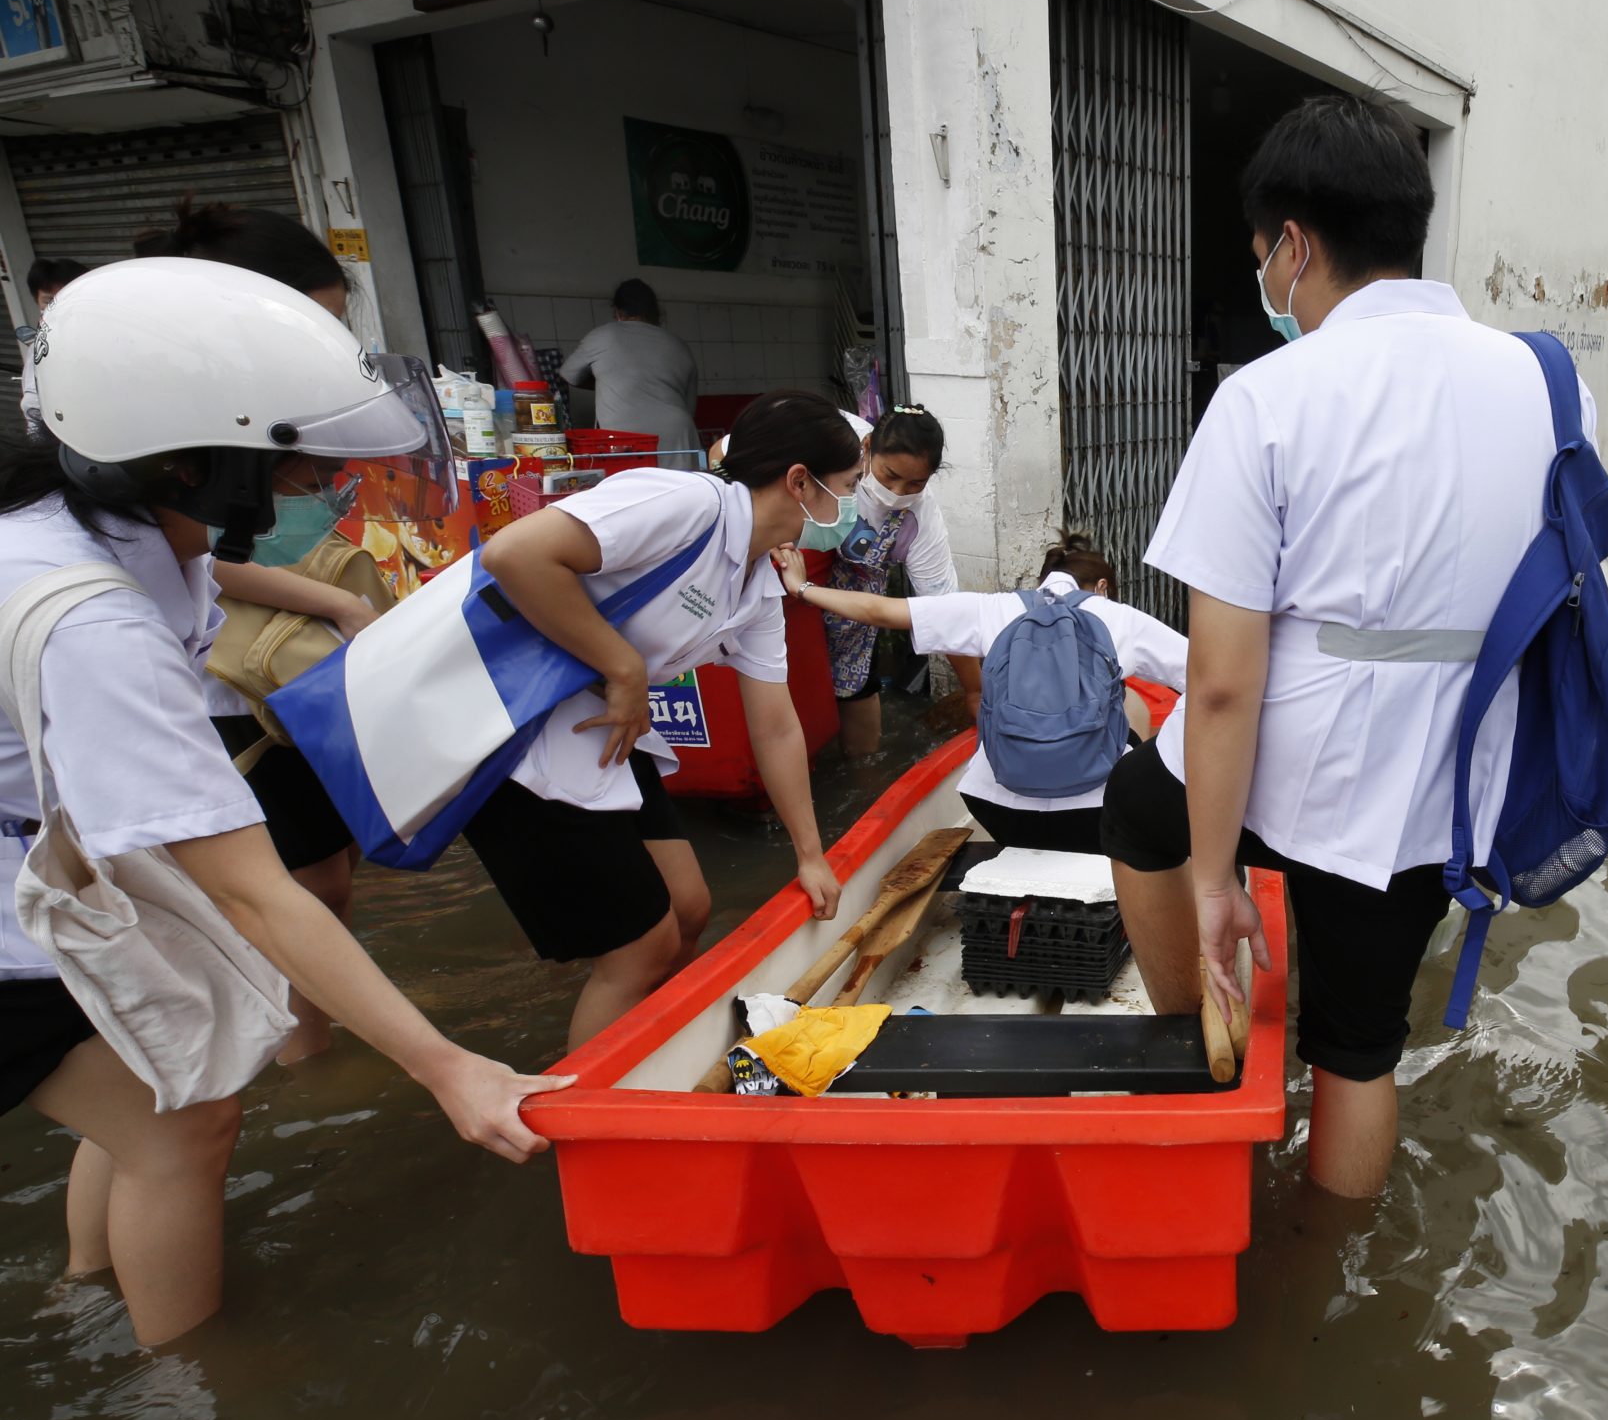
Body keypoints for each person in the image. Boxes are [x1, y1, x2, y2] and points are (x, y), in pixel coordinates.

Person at [0, 257, 571, 1345]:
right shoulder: (96, 626)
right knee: (185, 1125)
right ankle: (187, 1387)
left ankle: (84, 1287)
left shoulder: (91, 519)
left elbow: (209, 579)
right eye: (291, 458)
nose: (315, 479)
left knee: (145, 1080)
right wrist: (447, 1066)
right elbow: (256, 895)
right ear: (189, 464)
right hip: (23, 896)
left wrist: (331, 602)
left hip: (54, 859)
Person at [1099, 94, 1593, 1201]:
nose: (1267, 282)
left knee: (1136, 807)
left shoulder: (1267, 396)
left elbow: (1222, 685)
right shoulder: (1552, 383)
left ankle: (1200, 1048)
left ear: (1295, 245)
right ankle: (1333, 1266)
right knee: (1360, 1050)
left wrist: (1217, 883)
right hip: (1457, 773)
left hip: (1309, 746)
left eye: (1261, 259)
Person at [470, 388, 850, 1047]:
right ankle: (594, 1099)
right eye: (843, 490)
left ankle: (657, 1051)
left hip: (609, 730)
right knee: (639, 949)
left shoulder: (759, 582)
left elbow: (776, 725)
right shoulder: (686, 503)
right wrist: (624, 668)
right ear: (799, 482)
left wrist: (810, 855)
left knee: (689, 907)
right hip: (521, 734)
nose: (845, 510)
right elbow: (512, 555)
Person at [140, 202, 379, 1064]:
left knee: (325, 875)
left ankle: (308, 1052)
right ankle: (302, 1061)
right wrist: (338, 606)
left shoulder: (267, 420)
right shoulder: (169, 427)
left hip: (282, 670)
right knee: (290, 888)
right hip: (232, 682)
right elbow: (210, 559)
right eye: (315, 325)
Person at [785, 532, 1185, 853]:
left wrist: (802, 587)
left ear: (1040, 582)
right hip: (1098, 810)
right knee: (1131, 701)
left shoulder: (995, 608)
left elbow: (880, 610)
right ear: (1101, 587)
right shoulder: (1119, 617)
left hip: (997, 807)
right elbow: (1204, 681)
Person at [809, 404, 979, 758]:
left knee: (861, 727)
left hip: (854, 614)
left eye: (916, 483)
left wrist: (975, 691)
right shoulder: (828, 437)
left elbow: (944, 611)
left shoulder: (920, 519)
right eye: (889, 476)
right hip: (795, 590)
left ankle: (862, 770)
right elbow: (726, 449)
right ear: (867, 446)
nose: (899, 492)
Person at [562, 279, 699, 458]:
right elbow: (689, 404)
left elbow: (569, 375)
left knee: (632, 477)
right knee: (682, 478)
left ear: (617, 312)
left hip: (626, 437)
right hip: (677, 433)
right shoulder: (679, 345)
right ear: (655, 312)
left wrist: (609, 382)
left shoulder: (603, 336)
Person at [19, 259, 92, 437]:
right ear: (36, 300)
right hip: (69, 437)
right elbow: (32, 402)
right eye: (49, 301)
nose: (59, 307)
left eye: (68, 298)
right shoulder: (42, 345)